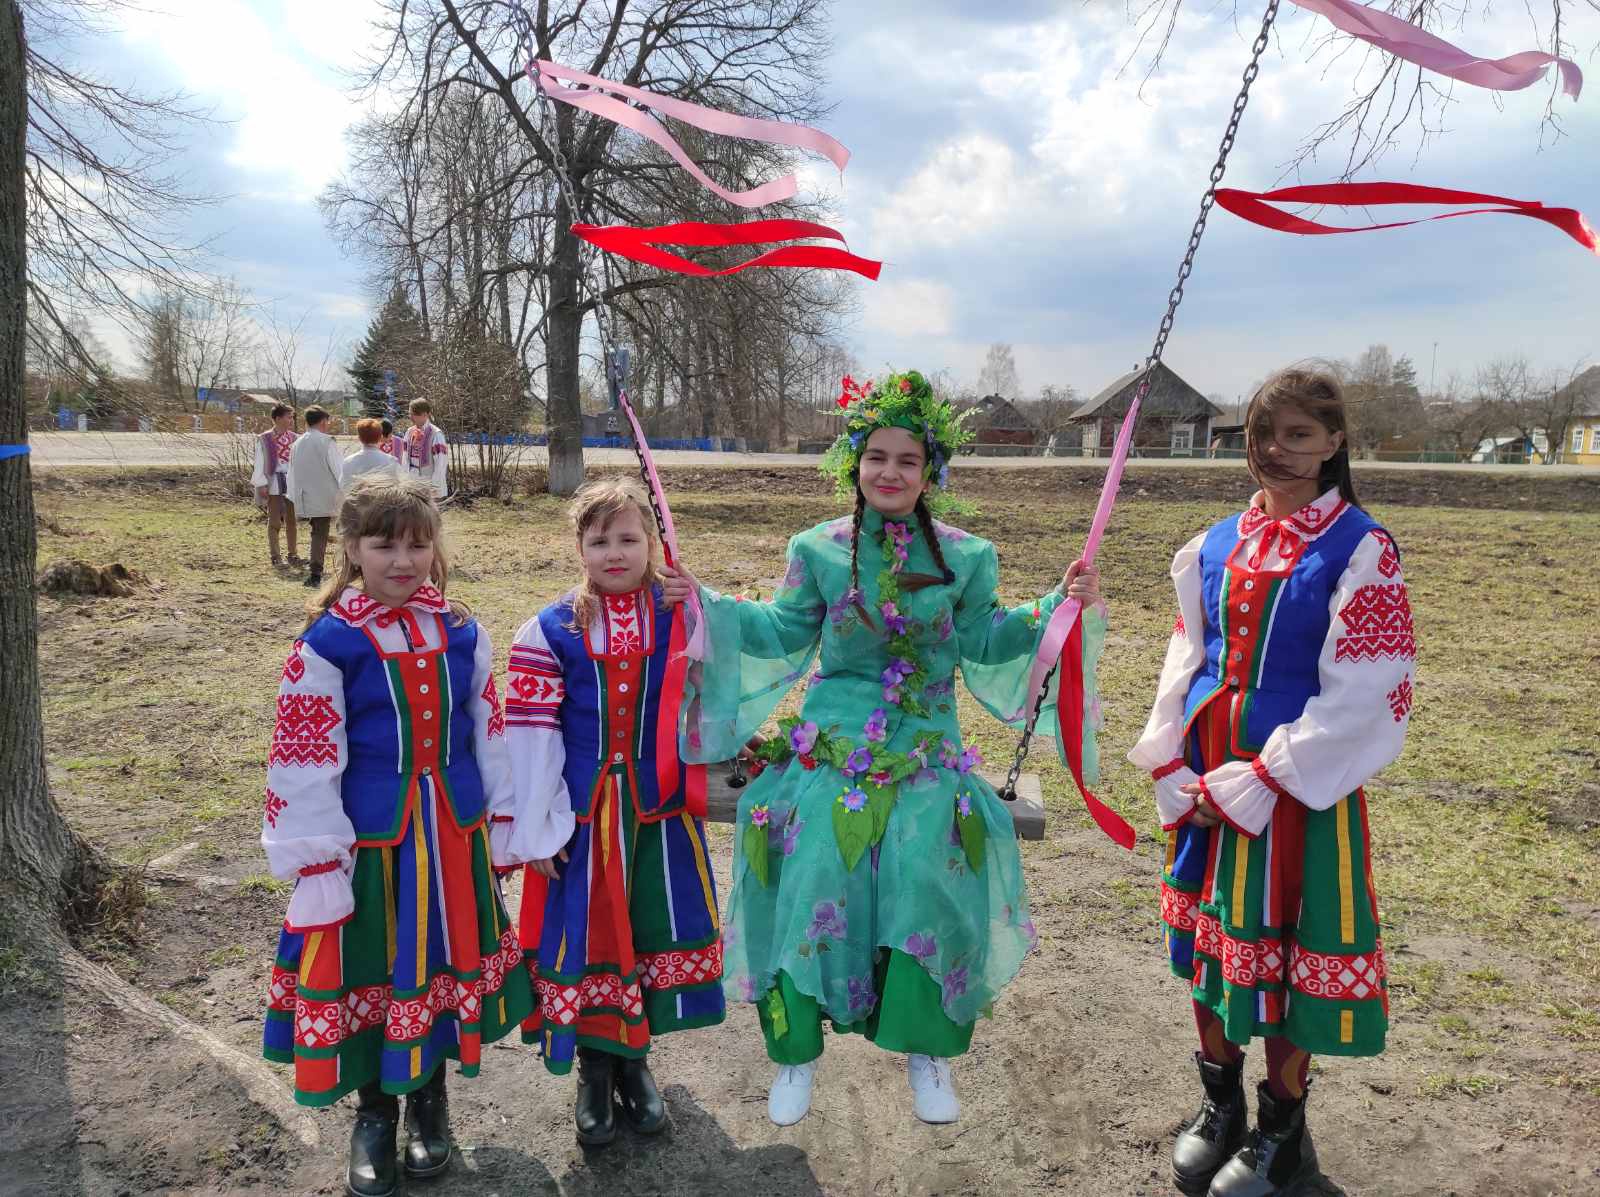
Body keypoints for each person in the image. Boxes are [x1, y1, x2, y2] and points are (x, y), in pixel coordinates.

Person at [663, 370, 1104, 1127]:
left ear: (930, 471)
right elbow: (780, 632)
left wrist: (1055, 609)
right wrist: (704, 602)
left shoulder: (969, 557)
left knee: (928, 869)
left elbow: (987, 639)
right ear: (854, 466)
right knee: (813, 867)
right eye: (876, 458)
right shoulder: (818, 550)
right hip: (832, 750)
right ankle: (796, 1055)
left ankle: (925, 1049)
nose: (890, 473)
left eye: (907, 459)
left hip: (930, 753)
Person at [1128, 367, 1414, 1197]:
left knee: (1282, 957)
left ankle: (1283, 1131)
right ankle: (1220, 1107)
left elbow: (1371, 689)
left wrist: (1266, 777)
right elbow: (1187, 654)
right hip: (1208, 785)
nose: (1276, 451)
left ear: (1333, 443)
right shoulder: (1216, 541)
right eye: (1262, 434)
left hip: (1292, 794)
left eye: (1297, 434)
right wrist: (1171, 756)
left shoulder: (1361, 547)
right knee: (1213, 945)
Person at [260, 474, 537, 1197]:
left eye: (418, 544)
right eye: (385, 544)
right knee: (375, 966)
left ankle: (431, 1098)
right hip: (372, 845)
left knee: (440, 958)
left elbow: (489, 729)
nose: (403, 560)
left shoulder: (462, 630)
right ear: (353, 548)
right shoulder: (328, 643)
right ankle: (375, 1112)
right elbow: (305, 752)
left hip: (450, 835)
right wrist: (316, 852)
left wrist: (502, 815)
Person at [506, 477, 724, 1147]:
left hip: (658, 814)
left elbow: (713, 684)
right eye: (598, 539)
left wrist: (701, 608)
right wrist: (537, 826)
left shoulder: (679, 613)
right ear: (578, 547)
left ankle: (636, 1063)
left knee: (647, 933)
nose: (615, 552)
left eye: (630, 537)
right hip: (585, 821)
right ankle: (594, 1072)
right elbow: (532, 734)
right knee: (594, 941)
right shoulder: (551, 628)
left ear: (653, 543)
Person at [288, 406, 344, 589]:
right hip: (330, 495)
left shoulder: (297, 443)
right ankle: (347, 569)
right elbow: (339, 470)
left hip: (307, 496)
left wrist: (294, 496)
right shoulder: (327, 442)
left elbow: (291, 473)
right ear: (322, 422)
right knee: (345, 532)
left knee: (318, 534)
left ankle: (315, 572)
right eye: (327, 422)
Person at [250, 403, 301, 568]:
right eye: (288, 417)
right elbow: (260, 463)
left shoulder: (295, 438)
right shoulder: (264, 439)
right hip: (273, 482)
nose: (291, 420)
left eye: (292, 417)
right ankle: (275, 555)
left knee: (291, 520)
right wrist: (262, 484)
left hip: (291, 481)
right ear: (278, 418)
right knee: (274, 521)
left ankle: (293, 554)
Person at [404, 399, 449, 500]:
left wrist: (434, 485)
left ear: (424, 414)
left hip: (429, 485)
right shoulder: (409, 432)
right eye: (410, 413)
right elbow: (405, 459)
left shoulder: (436, 434)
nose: (410, 417)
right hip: (412, 484)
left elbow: (441, 462)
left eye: (413, 414)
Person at [343, 418, 402, 487]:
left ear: (359, 438)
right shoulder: (391, 461)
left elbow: (343, 486)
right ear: (380, 437)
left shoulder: (348, 462)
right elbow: (399, 484)